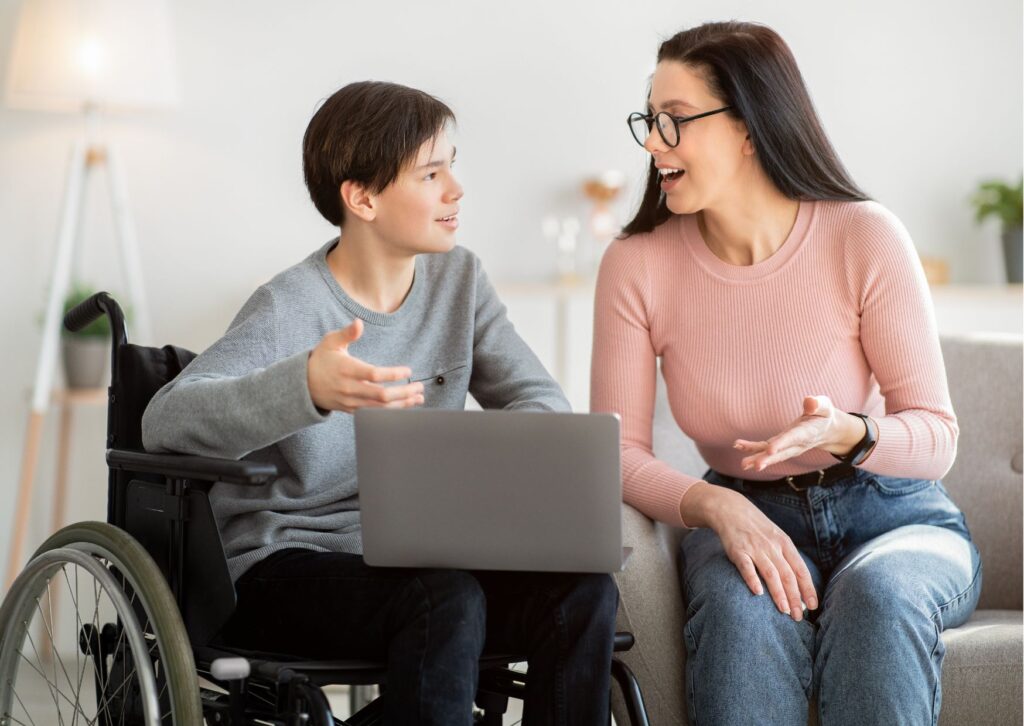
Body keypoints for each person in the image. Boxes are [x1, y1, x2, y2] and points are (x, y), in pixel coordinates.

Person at [143, 80, 618, 725]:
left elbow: (536, 397)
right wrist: (305, 389)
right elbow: (165, 420)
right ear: (362, 198)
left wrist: (513, 469)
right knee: (444, 598)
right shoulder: (289, 306)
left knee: (580, 591)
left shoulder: (460, 281)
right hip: (285, 562)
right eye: (431, 173)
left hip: (425, 557)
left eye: (452, 165)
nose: (456, 189)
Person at [591, 21, 981, 726]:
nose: (652, 143)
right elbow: (615, 450)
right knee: (742, 614)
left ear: (748, 125)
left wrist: (847, 433)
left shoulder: (864, 235)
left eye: (675, 120)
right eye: (650, 120)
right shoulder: (636, 263)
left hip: (894, 515)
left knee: (878, 596)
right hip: (743, 515)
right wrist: (715, 506)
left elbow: (936, 436)